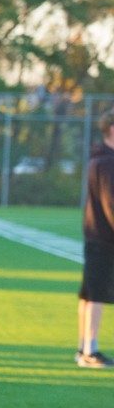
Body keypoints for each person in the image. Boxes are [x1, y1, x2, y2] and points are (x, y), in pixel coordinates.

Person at [77, 109, 114, 368]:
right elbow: (111, 203)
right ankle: (90, 350)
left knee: (89, 293)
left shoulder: (99, 158)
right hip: (104, 237)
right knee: (96, 294)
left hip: (96, 234)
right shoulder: (107, 162)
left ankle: (84, 348)